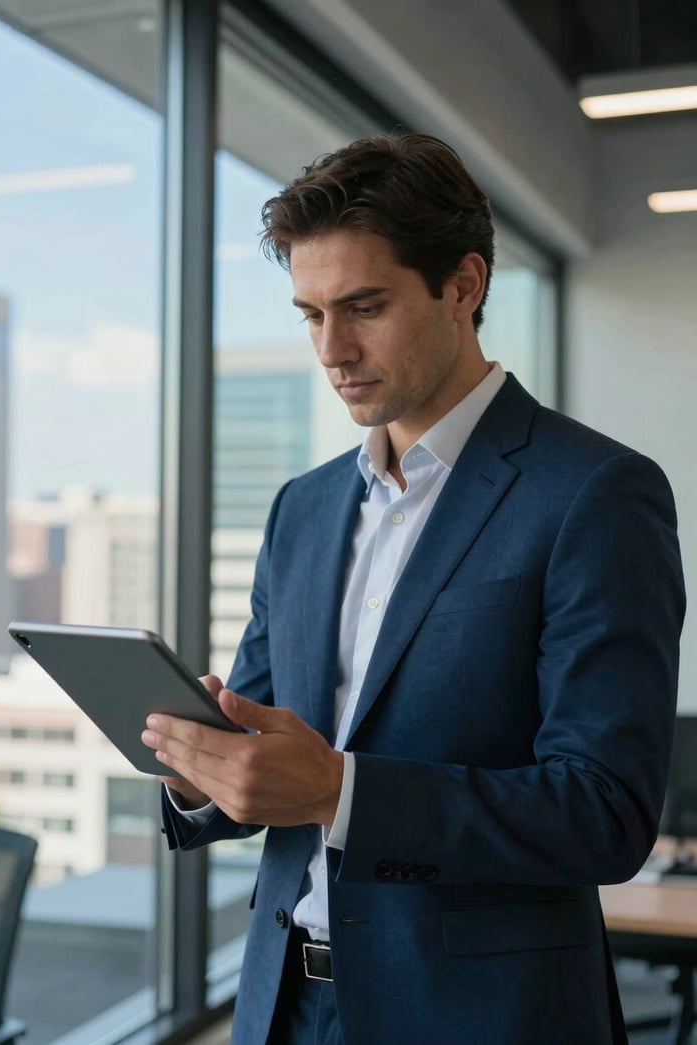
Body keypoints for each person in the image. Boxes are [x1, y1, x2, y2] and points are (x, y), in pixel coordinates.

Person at [141, 133, 686, 1044]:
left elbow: (606, 812)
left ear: (464, 285)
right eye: (309, 313)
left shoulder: (595, 493)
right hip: (281, 1006)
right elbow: (267, 730)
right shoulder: (304, 508)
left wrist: (342, 790)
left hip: (480, 1019)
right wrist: (204, 767)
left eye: (363, 306)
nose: (332, 348)